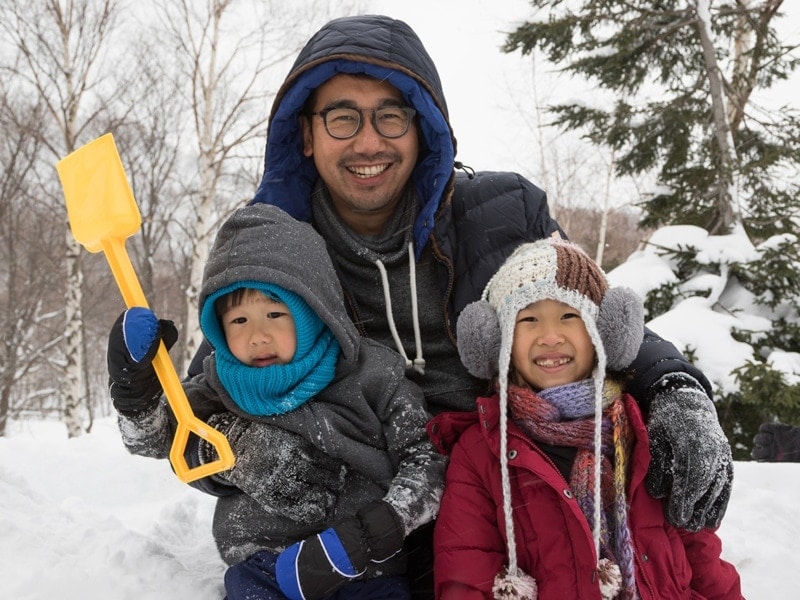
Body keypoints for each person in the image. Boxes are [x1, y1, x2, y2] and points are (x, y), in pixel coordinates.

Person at [118, 14, 733, 597]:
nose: (368, 141)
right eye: (341, 118)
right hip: (357, 533)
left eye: (391, 117)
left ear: (423, 130)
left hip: (509, 502)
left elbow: (589, 311)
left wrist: (676, 387)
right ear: (305, 134)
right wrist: (240, 449)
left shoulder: (501, 213)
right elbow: (199, 409)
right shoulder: (276, 252)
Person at [107, 204, 445, 600]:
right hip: (264, 568)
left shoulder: (374, 377)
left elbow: (428, 463)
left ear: (315, 311)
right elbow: (155, 437)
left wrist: (372, 532)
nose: (257, 336)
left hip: (364, 566)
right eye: (239, 321)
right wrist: (135, 390)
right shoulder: (219, 385)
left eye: (274, 313)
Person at [428, 238, 743, 599]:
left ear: (605, 333)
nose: (550, 337)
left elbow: (703, 561)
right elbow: (465, 579)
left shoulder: (644, 432)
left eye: (569, 315)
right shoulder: (480, 454)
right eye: (528, 318)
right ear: (498, 341)